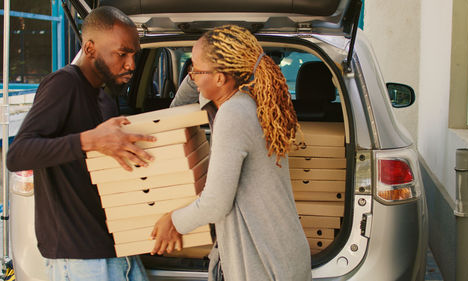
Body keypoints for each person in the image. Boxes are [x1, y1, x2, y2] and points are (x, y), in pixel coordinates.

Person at [150, 25, 312, 281]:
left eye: (195, 69)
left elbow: (215, 204)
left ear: (220, 78)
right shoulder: (247, 101)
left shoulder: (233, 113)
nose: (191, 76)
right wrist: (201, 65)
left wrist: (173, 221)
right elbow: (176, 109)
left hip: (267, 264)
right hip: (279, 255)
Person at [7, 6, 154, 281]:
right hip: (80, 258)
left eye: (135, 54)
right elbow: (18, 154)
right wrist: (88, 140)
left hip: (117, 248)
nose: (131, 64)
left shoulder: (103, 96)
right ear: (90, 48)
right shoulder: (63, 84)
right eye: (122, 54)